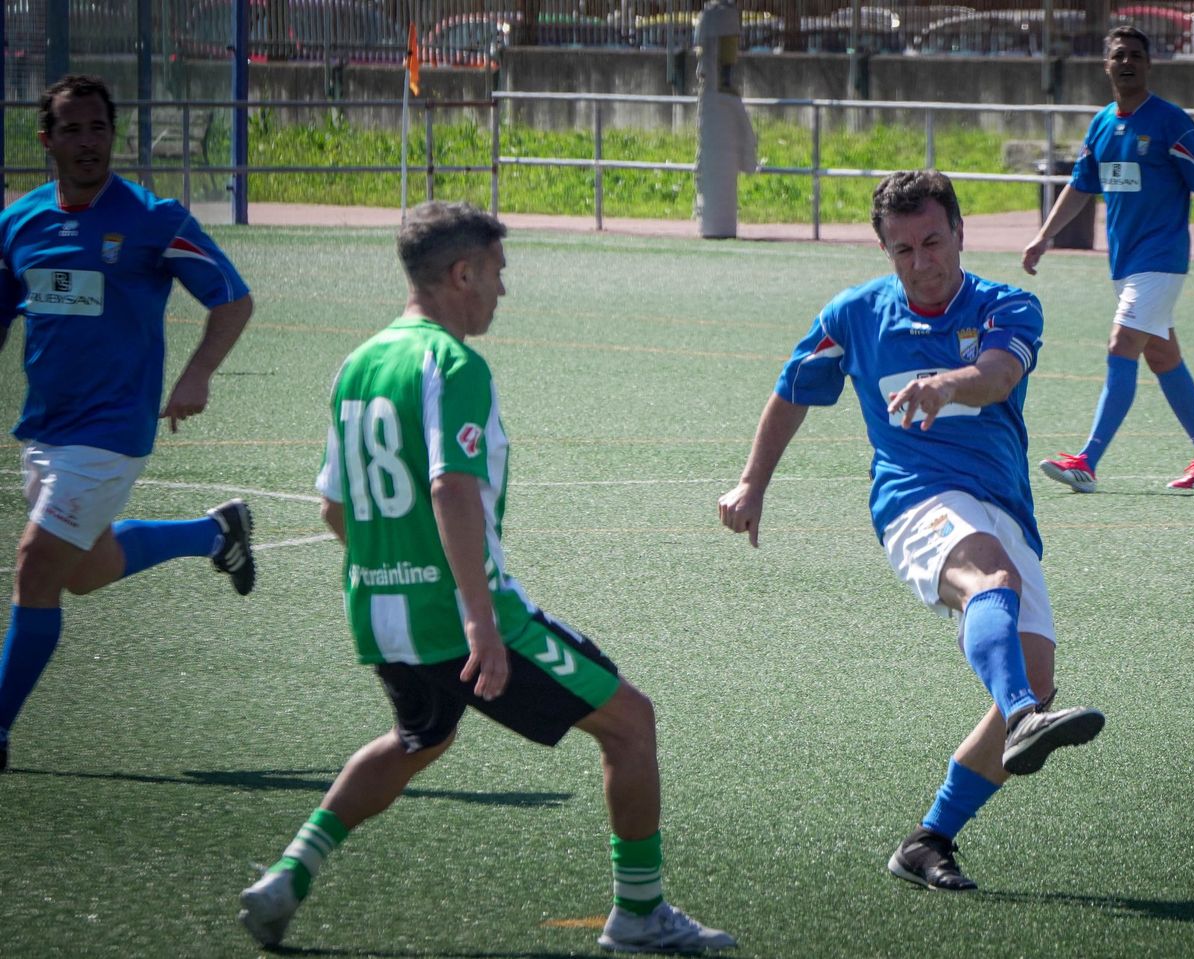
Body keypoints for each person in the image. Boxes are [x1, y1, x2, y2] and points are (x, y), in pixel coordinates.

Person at [238, 201, 734, 955]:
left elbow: (334, 507)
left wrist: (391, 572)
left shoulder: (358, 363)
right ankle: (640, 912)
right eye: (498, 273)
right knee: (632, 723)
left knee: (418, 739)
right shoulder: (453, 362)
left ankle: (287, 873)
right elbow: (452, 486)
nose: (503, 290)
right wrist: (478, 619)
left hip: (378, 613)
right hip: (466, 617)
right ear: (461, 273)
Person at [719, 170, 1105, 892]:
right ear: (884, 251)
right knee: (990, 582)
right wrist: (753, 481)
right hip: (912, 497)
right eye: (902, 249)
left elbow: (994, 376)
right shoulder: (854, 314)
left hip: (1002, 501)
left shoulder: (1007, 304)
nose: (921, 261)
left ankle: (927, 839)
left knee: (1038, 672)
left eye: (932, 241)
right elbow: (793, 390)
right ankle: (1020, 716)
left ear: (960, 231)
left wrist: (945, 382)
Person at [0, 75, 256, 774]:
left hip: (112, 432)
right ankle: (215, 532)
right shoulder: (16, 224)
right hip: (46, 431)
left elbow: (231, 298)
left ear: (115, 135)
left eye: (99, 128)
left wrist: (197, 373)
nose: (89, 142)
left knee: (34, 568)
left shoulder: (154, 219)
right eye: (73, 130)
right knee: (84, 572)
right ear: (47, 141)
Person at [1023, 26, 1194, 495]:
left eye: (1136, 56)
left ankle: (1087, 460)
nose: (1127, 62)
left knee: (1120, 344)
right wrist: (1044, 238)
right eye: (1118, 55)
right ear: (1106, 66)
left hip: (1162, 261)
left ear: (1149, 64)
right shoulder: (1102, 124)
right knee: (1163, 356)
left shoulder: (1171, 123)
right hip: (1125, 266)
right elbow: (1081, 186)